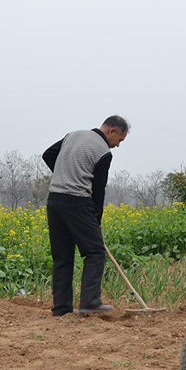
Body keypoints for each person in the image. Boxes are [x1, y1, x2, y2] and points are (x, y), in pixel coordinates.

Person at [42, 116, 129, 317]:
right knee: (95, 252)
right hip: (77, 202)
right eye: (120, 140)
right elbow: (98, 191)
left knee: (62, 257)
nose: (117, 145)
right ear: (112, 132)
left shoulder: (72, 136)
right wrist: (95, 220)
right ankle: (90, 301)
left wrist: (65, 173)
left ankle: (61, 309)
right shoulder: (103, 151)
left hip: (54, 201)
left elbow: (48, 155)